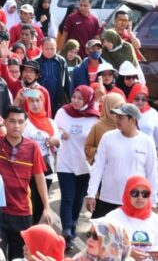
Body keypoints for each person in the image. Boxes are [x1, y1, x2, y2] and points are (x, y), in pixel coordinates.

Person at [0, 106, 52, 260]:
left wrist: (46, 207)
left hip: (22, 212)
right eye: (12, 121)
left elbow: (39, 178)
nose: (16, 126)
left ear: (26, 124)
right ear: (4, 122)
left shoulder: (32, 147)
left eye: (20, 122)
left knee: (19, 257)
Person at [87, 103, 158, 218]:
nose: (117, 120)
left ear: (132, 120)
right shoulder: (107, 138)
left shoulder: (147, 142)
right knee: (97, 234)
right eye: (116, 117)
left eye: (121, 117)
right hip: (107, 198)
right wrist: (91, 193)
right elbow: (97, 167)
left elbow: (152, 174)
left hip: (134, 201)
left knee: (129, 236)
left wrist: (153, 202)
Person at [55, 85, 100, 249]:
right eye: (74, 96)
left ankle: (73, 225)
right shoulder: (62, 112)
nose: (75, 100)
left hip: (85, 165)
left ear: (88, 100)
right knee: (67, 198)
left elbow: (96, 141)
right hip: (65, 163)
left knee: (77, 200)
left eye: (80, 98)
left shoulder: (94, 119)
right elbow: (54, 130)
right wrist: (60, 133)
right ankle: (66, 232)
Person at [22, 89, 61, 225]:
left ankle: (32, 235)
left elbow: (58, 141)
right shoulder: (24, 121)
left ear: (43, 102)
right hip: (27, 171)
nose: (35, 104)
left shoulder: (50, 122)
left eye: (38, 100)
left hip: (46, 170)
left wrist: (54, 141)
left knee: (39, 208)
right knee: (28, 207)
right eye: (31, 101)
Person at [105, 175, 158, 258]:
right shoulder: (112, 218)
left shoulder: (155, 220)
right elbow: (101, 245)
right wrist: (127, 252)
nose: (140, 197)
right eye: (134, 193)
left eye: (145, 194)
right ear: (127, 193)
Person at [84, 92, 125, 164]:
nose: (118, 112)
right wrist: (100, 152)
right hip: (104, 169)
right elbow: (88, 148)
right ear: (108, 107)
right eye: (115, 108)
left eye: (121, 108)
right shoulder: (98, 126)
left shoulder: (126, 125)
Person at [35, 37, 71, 114]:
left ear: (56, 47)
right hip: (40, 99)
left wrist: (71, 98)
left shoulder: (61, 61)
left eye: (52, 49)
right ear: (41, 48)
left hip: (57, 99)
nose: (49, 51)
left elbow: (67, 82)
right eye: (47, 49)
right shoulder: (35, 62)